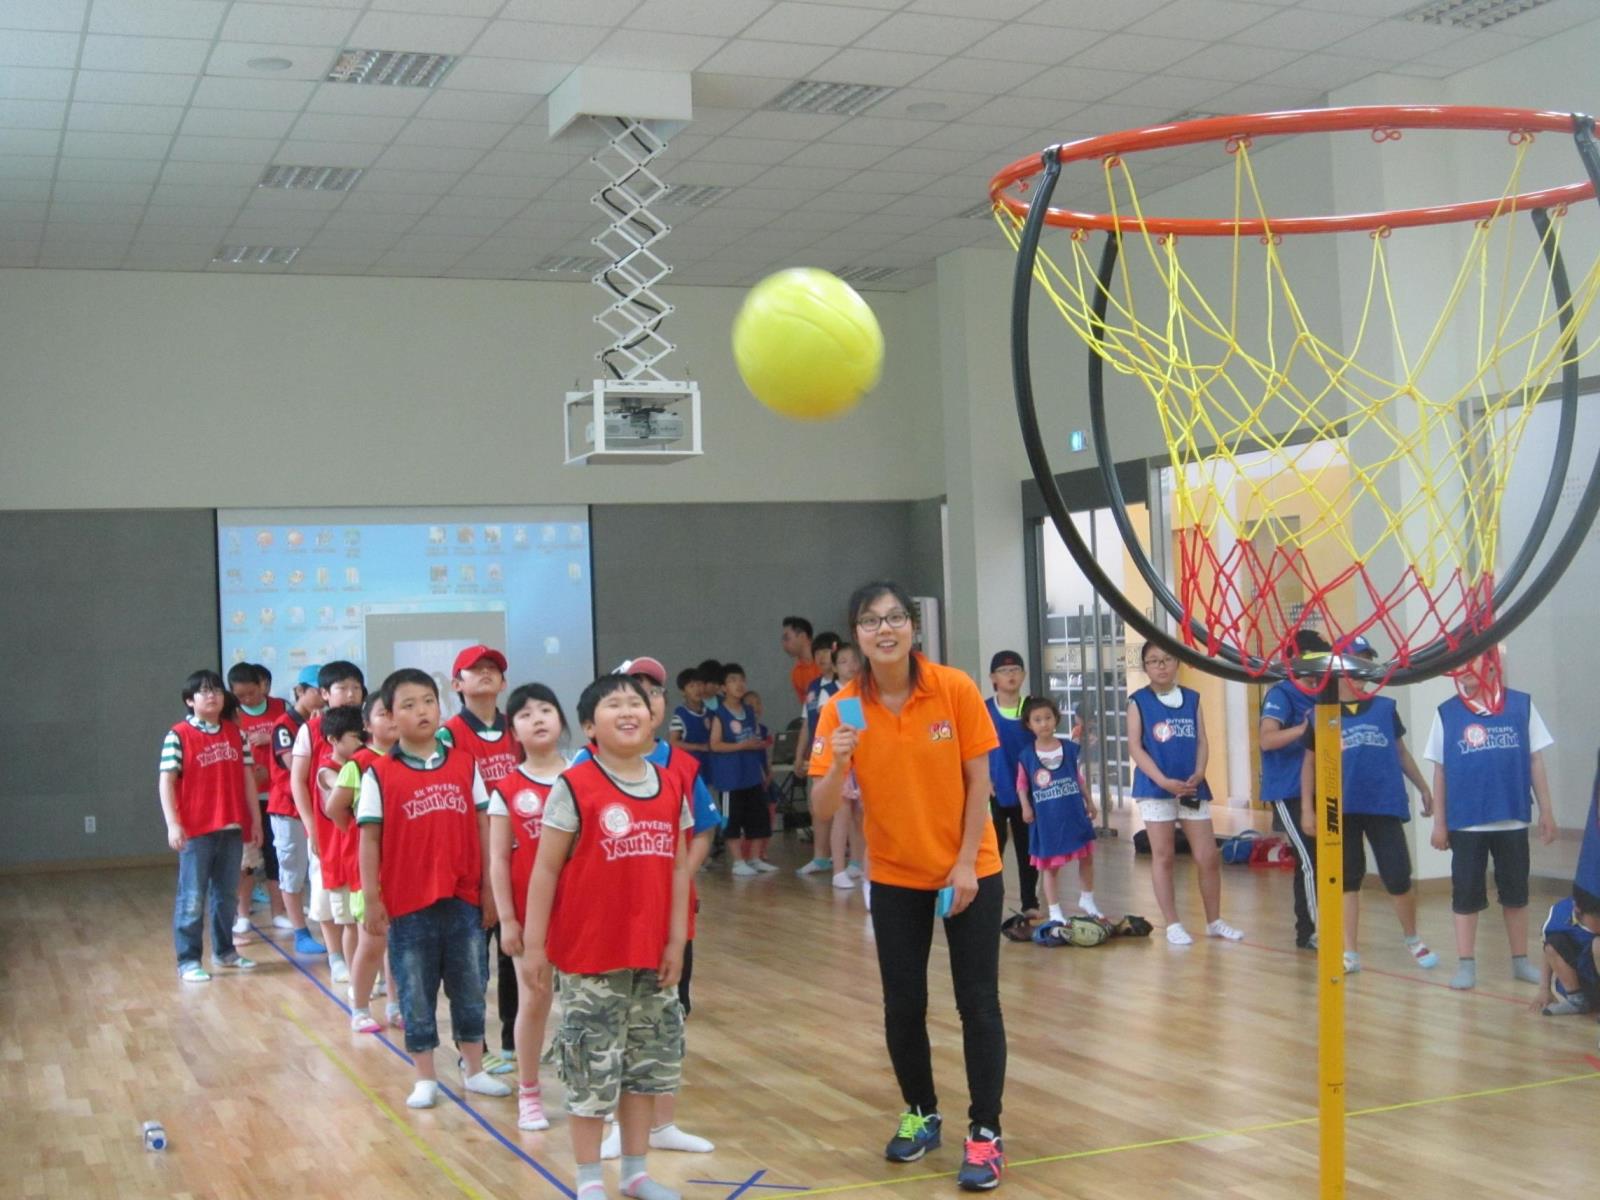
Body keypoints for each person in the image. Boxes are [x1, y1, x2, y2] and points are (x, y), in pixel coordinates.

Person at [809, 582, 1008, 1192]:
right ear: (856, 636)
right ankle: (921, 1112)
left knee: (977, 1003)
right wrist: (840, 762)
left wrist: (967, 864)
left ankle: (986, 1132)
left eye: (895, 617)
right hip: (894, 876)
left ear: (913, 628)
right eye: (871, 621)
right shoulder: (841, 708)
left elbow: (981, 783)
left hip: (969, 870)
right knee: (903, 1005)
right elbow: (820, 809)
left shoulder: (953, 688)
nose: (885, 629)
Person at [521, 674, 693, 1200]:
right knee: (591, 1071)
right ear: (591, 725)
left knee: (645, 1070)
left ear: (652, 716)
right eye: (613, 704)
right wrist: (533, 947)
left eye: (636, 703)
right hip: (591, 957)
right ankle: (590, 1178)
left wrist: (675, 943)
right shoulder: (575, 786)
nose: (627, 711)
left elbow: (680, 870)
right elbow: (545, 870)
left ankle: (636, 1173)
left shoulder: (669, 784)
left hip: (652, 956)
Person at [356, 668, 510, 1109]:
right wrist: (372, 898)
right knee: (415, 990)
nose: (421, 711)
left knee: (470, 984)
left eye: (427, 701)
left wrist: (488, 889)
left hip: (462, 900)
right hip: (408, 904)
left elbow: (483, 825)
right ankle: (425, 1076)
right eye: (408, 705)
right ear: (389, 715)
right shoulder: (379, 774)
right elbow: (369, 839)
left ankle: (474, 1069)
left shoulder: (465, 763)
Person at [592, 657, 719, 1162]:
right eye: (629, 692)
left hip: (670, 917)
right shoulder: (587, 767)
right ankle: (618, 1126)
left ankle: (662, 1122)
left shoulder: (683, 767)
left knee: (665, 1017)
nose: (643, 701)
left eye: (652, 692)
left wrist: (677, 879)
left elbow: (703, 828)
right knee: (610, 1017)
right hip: (610, 915)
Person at [1297, 637, 1437, 974]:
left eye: (1365, 665)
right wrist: (1307, 809)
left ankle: (1412, 938)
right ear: (1338, 671)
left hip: (1383, 804)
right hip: (1340, 810)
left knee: (1398, 874)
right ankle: (1350, 951)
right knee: (1347, 880)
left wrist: (1423, 787)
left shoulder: (1385, 708)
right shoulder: (1321, 714)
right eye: (1353, 666)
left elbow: (1400, 752)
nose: (1360, 674)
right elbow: (1309, 765)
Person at [1425, 669, 1557, 990]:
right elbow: (1440, 771)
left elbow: (1535, 760)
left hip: (1512, 816)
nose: (1465, 674)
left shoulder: (1521, 705)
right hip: (1466, 820)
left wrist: (1547, 811)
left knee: (1516, 894)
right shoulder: (1447, 712)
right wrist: (1440, 823)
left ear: (1491, 667)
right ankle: (1466, 964)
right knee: (1466, 894)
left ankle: (1520, 961)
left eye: (1473, 665)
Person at [487, 682, 569, 1130]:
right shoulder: (507, 788)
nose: (537, 718)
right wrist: (509, 921)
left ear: (561, 720)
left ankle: (588, 1093)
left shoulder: (585, 776)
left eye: (546, 709)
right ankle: (530, 1093)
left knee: (584, 1004)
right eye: (525, 714)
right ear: (512, 731)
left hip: (581, 911)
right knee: (534, 999)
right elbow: (498, 860)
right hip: (528, 915)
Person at [1127, 642, 1243, 946]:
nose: (1161, 665)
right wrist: (1163, 781)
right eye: (1153, 661)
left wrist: (1201, 770)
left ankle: (1214, 920)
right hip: (1155, 789)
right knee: (1163, 856)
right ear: (1146, 667)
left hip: (1192, 787)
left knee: (1207, 856)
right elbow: (1135, 747)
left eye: (1166, 659)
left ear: (1177, 663)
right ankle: (1173, 923)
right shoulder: (1138, 702)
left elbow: (1203, 739)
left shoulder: (1192, 699)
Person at [438, 644, 519, 1074]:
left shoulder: (517, 728)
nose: (486, 674)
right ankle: (473, 1044)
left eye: (494, 669)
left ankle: (512, 1039)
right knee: (472, 961)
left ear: (504, 683)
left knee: (514, 951)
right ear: (457, 684)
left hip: (518, 855)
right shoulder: (449, 733)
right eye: (476, 669)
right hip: (472, 858)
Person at [159, 669, 263, 981]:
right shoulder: (177, 735)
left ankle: (226, 951)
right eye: (204, 691)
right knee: (192, 897)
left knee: (226, 895)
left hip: (231, 827)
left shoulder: (236, 734)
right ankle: (188, 960)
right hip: (196, 830)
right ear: (190, 700)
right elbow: (166, 782)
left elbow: (247, 779)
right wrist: (173, 824)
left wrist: (254, 819)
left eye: (216, 690)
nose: (212, 695)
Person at [328, 692, 399, 1031]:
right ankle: (359, 1008)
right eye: (385, 714)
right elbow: (335, 808)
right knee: (372, 941)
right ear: (368, 725)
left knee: (401, 943)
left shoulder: (409, 758)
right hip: (369, 870)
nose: (394, 719)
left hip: (404, 867)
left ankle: (397, 1005)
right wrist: (357, 836)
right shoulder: (359, 763)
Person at [292, 660, 365, 983]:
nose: (350, 694)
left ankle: (363, 959)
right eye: (342, 688)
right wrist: (310, 826)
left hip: (361, 832)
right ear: (324, 693)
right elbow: (298, 780)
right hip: (326, 829)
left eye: (355, 687)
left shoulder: (369, 724)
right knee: (326, 894)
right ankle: (336, 955)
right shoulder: (311, 729)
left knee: (359, 896)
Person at [1259, 630, 1330, 950]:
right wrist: (1306, 729)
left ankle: (1318, 925)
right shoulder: (1281, 694)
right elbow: (1267, 739)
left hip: (1321, 786)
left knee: (1327, 859)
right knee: (1310, 860)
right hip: (1287, 789)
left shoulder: (1327, 692)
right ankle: (1314, 930)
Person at [1016, 695, 1098, 922]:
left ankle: (1087, 898)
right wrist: (1025, 807)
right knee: (1051, 866)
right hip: (1047, 819)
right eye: (1038, 719)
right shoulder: (1026, 755)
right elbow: (1021, 785)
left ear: (1056, 719)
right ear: (1029, 725)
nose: (1044, 723)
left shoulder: (1069, 749)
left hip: (1072, 812)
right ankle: (1054, 910)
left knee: (1087, 856)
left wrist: (1089, 801)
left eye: (1048, 718)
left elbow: (1078, 778)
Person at [266, 665, 325, 955]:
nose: (322, 696)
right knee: (293, 869)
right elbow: (296, 770)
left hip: (319, 808)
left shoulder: (328, 722)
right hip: (289, 809)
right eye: (317, 690)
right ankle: (300, 931)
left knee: (320, 871)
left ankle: (322, 928)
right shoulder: (284, 725)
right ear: (301, 691)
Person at [229, 662, 289, 935]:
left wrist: (272, 740)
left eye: (252, 693)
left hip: (276, 795)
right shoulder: (231, 717)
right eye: (240, 696)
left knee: (275, 854)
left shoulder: (280, 708)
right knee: (247, 860)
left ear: (263, 686)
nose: (247, 700)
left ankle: (279, 912)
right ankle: (242, 915)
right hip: (246, 798)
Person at [315, 704, 367, 994]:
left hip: (358, 856)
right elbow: (342, 797)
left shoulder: (358, 765)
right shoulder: (328, 771)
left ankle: (374, 976)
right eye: (354, 737)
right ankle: (353, 976)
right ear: (333, 739)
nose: (360, 742)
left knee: (365, 923)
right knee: (349, 923)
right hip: (338, 857)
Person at [985, 651, 1039, 920]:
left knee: (1027, 849)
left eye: (1017, 669)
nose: (1011, 675)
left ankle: (1030, 901)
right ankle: (992, 902)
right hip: (994, 791)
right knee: (993, 851)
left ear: (1024, 675)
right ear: (993, 678)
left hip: (1027, 793)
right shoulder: (983, 709)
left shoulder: (1032, 710)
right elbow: (972, 749)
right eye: (1005, 671)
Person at [709, 663, 774, 876]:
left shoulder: (748, 711)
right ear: (723, 688)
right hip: (730, 779)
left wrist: (763, 767)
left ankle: (754, 858)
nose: (739, 684)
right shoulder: (719, 714)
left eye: (741, 679)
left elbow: (754, 739)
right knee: (733, 819)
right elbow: (715, 744)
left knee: (758, 817)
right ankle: (738, 862)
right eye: (732, 680)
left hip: (751, 774)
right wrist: (741, 746)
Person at [795, 633, 842, 878]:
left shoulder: (844, 686)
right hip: (818, 753)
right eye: (818, 653)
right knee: (818, 807)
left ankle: (848, 861)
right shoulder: (813, 687)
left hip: (841, 755)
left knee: (845, 810)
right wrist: (798, 755)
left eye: (827, 651)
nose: (823, 657)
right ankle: (820, 856)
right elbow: (806, 724)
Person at [827, 642, 869, 894]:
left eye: (854, 660)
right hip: (841, 764)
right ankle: (838, 870)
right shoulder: (835, 696)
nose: (851, 666)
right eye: (843, 661)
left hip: (861, 762)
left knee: (860, 816)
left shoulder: (863, 692)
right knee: (841, 815)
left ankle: (858, 862)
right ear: (834, 667)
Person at [783, 615, 821, 706]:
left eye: (786, 638)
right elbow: (808, 707)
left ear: (803, 637)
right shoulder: (796, 674)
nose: (783, 644)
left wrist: (853, 718)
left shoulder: (830, 657)